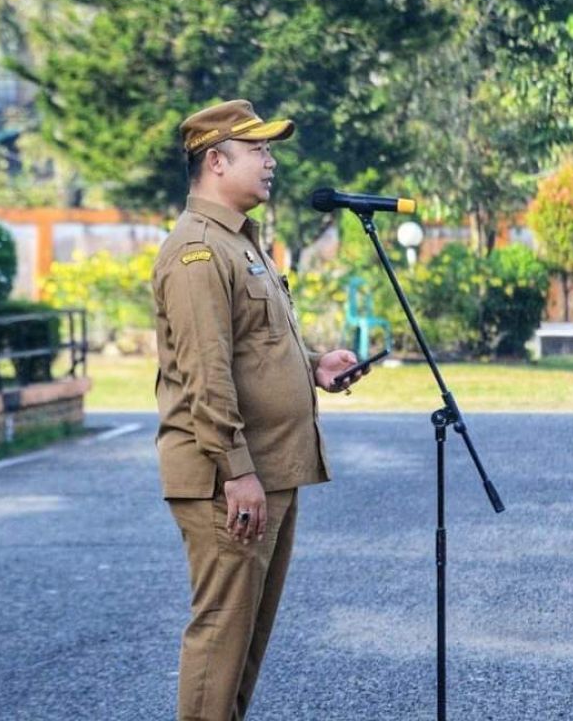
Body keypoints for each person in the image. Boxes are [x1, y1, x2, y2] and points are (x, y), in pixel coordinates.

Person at [152, 99, 366, 721]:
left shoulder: (240, 244)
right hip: (230, 478)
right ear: (216, 161)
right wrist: (237, 471)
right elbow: (205, 374)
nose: (272, 162)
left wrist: (314, 365)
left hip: (267, 470)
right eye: (259, 150)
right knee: (221, 635)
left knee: (244, 646)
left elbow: (252, 348)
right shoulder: (196, 252)